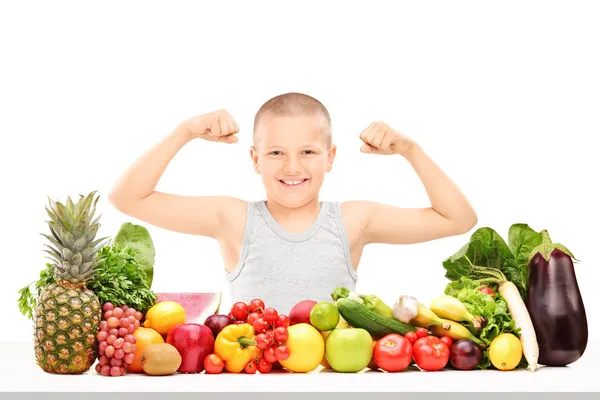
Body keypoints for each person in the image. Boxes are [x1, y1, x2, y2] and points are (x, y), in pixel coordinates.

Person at [108, 92, 478, 314]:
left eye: (307, 152)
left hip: (330, 381)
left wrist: (410, 151)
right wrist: (184, 131)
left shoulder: (353, 220)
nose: (292, 167)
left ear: (330, 157)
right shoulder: (233, 219)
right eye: (275, 152)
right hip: (250, 381)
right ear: (254, 159)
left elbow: (458, 219)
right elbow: (126, 197)